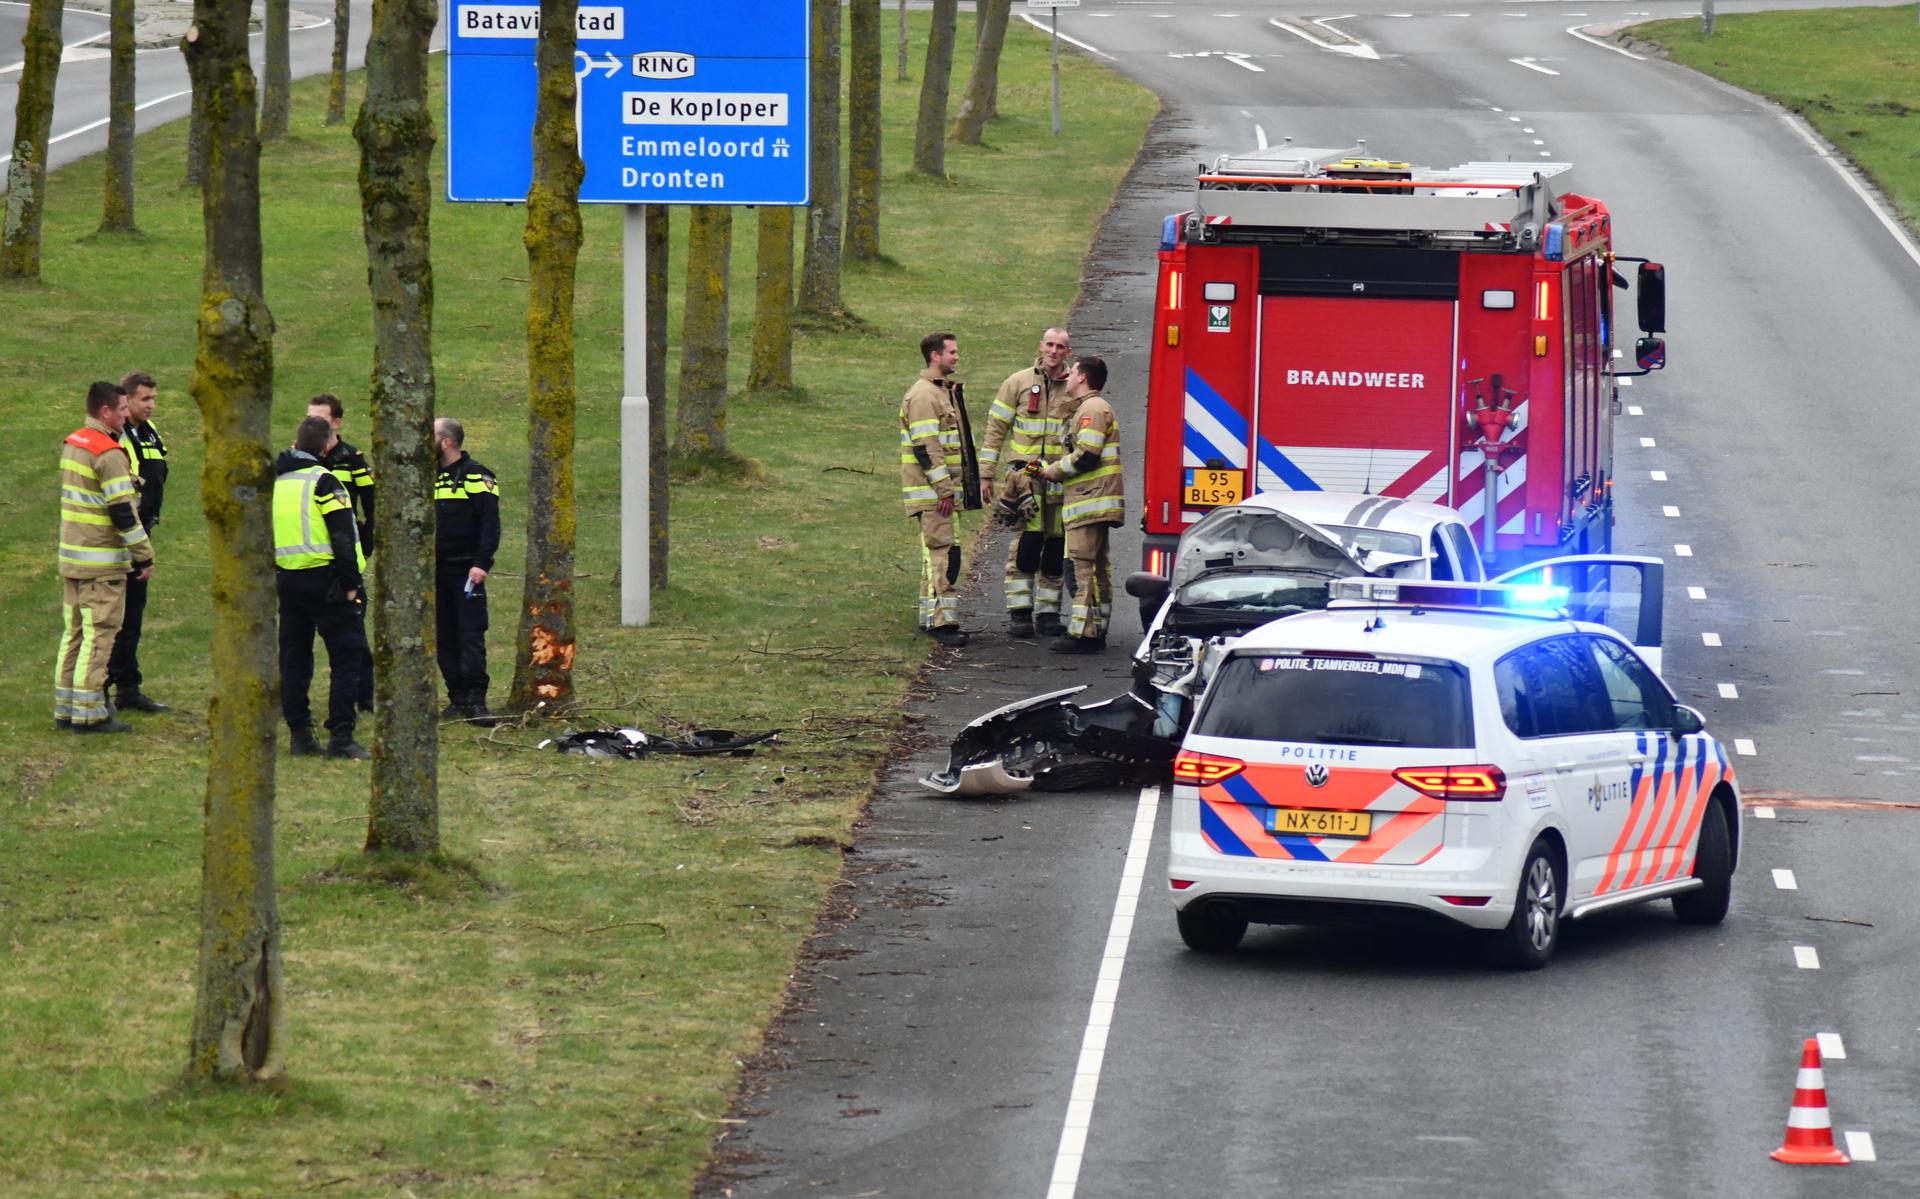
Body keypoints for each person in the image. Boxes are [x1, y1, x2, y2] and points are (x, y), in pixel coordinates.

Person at [56, 382, 154, 733]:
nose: (127, 415)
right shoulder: (109, 452)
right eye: (123, 409)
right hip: (101, 562)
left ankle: (65, 707)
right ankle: (89, 713)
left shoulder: (74, 443)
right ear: (106, 412)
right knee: (99, 636)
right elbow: (122, 514)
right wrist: (144, 556)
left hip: (72, 558)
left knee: (74, 635)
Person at [274, 416, 370, 759]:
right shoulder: (325, 482)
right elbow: (343, 536)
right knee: (347, 657)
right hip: (327, 581)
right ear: (327, 446)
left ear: (296, 444)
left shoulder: (278, 481)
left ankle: (300, 735)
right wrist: (351, 583)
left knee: (294, 660)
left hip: (288, 581)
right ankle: (341, 737)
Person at [979, 327, 1074, 638]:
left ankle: (1048, 613)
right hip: (1025, 481)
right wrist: (986, 473)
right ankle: (1020, 613)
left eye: (1061, 346)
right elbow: (996, 429)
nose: (1054, 351)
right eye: (1050, 344)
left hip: (1060, 479)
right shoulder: (1017, 382)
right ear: (1040, 346)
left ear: (1067, 352)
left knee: (1056, 545)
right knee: (1026, 545)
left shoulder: (1075, 386)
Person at [898, 331, 981, 646]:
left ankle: (932, 618)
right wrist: (944, 489)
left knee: (943, 553)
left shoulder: (940, 393)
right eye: (952, 352)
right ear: (935, 355)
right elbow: (926, 447)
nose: (957, 357)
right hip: (934, 495)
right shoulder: (924, 397)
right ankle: (940, 625)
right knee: (941, 555)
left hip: (941, 494)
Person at [1039, 356, 1124, 653]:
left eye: (1072, 371)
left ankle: (1083, 633)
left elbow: (1087, 454)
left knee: (1079, 566)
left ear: (1083, 377)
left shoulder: (1091, 410)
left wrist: (1054, 470)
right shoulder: (1091, 408)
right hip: (1094, 501)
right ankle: (1095, 629)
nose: (1068, 375)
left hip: (1089, 500)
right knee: (1096, 568)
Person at [106, 370, 170, 713]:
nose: (151, 405)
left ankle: (128, 686)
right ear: (125, 401)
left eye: (153, 398)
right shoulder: (117, 437)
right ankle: (99, 687)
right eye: (145, 398)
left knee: (133, 615)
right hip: (120, 538)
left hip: (143, 532)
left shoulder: (150, 433)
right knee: (110, 617)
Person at [308, 393, 375, 713]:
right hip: (310, 557)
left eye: (319, 419)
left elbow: (373, 504)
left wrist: (366, 544)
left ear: (336, 423)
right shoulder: (302, 456)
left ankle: (365, 695)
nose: (312, 425)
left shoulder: (353, 459)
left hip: (345, 556)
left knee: (354, 629)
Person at [434, 417, 500, 720]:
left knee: (470, 635)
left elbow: (490, 523)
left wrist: (481, 563)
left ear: (447, 441)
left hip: (466, 571)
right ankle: (457, 697)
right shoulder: (429, 477)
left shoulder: (477, 475)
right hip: (435, 570)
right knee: (444, 636)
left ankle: (476, 700)